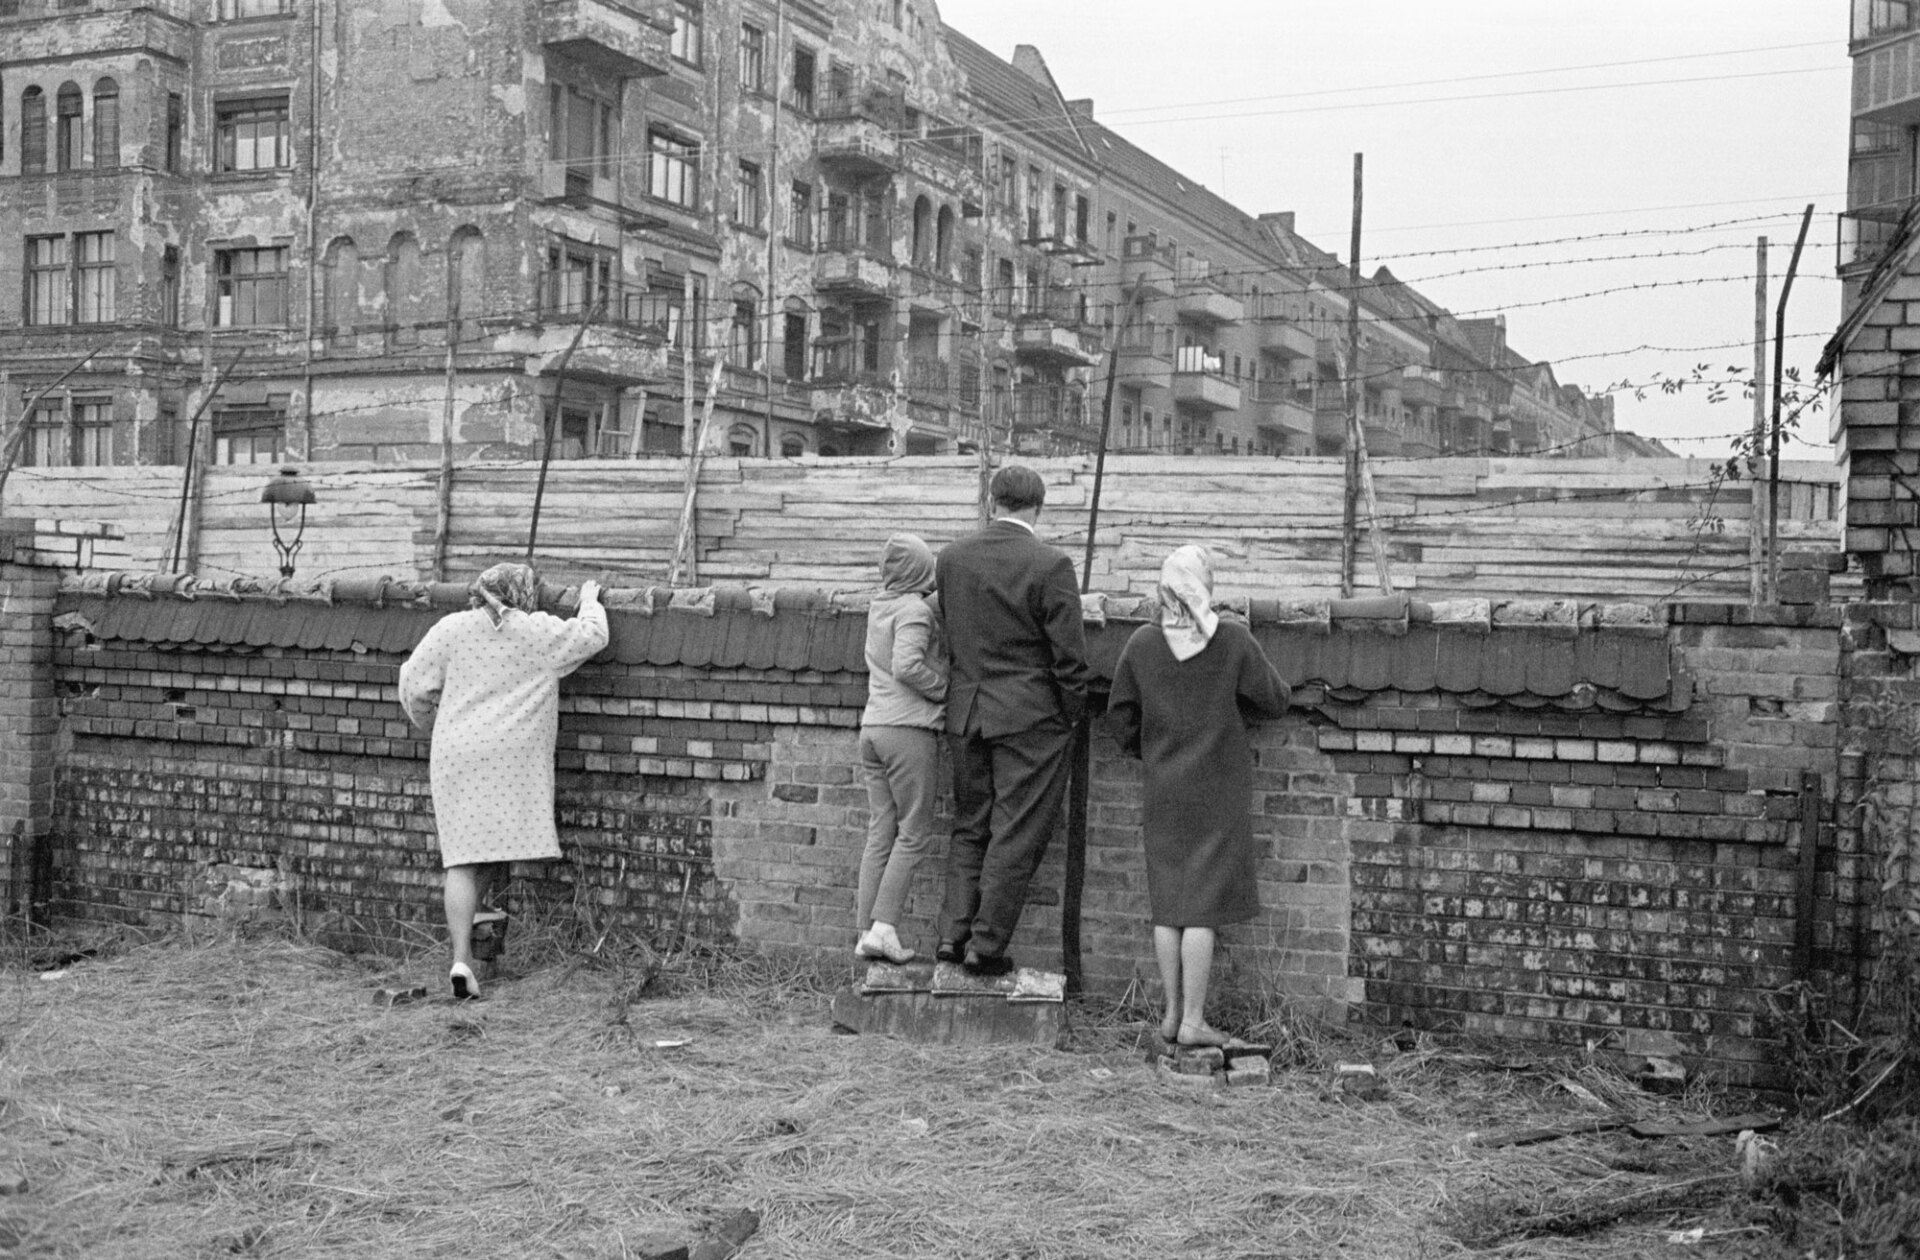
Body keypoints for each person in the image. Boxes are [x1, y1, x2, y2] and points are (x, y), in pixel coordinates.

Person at [1107, 544, 1290, 1047]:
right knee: (1203, 907)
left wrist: (1151, 751)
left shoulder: (1142, 643)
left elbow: (1119, 716)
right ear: (1206, 587)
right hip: (1218, 788)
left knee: (1169, 905)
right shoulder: (1231, 639)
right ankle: (1193, 1021)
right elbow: (1275, 700)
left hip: (1163, 787)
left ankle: (1169, 1017)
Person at [398, 563, 608, 1000]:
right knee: (496, 845)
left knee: (462, 857)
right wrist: (589, 601)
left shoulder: (450, 629)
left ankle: (462, 958)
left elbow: (412, 684)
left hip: (457, 754)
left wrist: (432, 725)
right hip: (511, 760)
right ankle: (482, 935)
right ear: (524, 595)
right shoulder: (536, 631)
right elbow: (592, 636)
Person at [935, 464, 1091, 977]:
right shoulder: (1051, 565)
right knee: (1015, 831)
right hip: (1030, 718)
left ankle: (951, 937)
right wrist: (1069, 716)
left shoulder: (952, 559)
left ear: (991, 501)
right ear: (1039, 508)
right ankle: (986, 946)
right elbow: (1070, 659)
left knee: (970, 826)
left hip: (965, 713)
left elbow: (952, 635)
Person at [854, 534, 948, 965]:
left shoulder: (881, 606)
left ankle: (865, 931)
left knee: (881, 831)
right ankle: (886, 928)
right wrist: (945, 690)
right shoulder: (912, 611)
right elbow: (907, 665)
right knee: (913, 834)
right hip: (907, 730)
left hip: (873, 728)